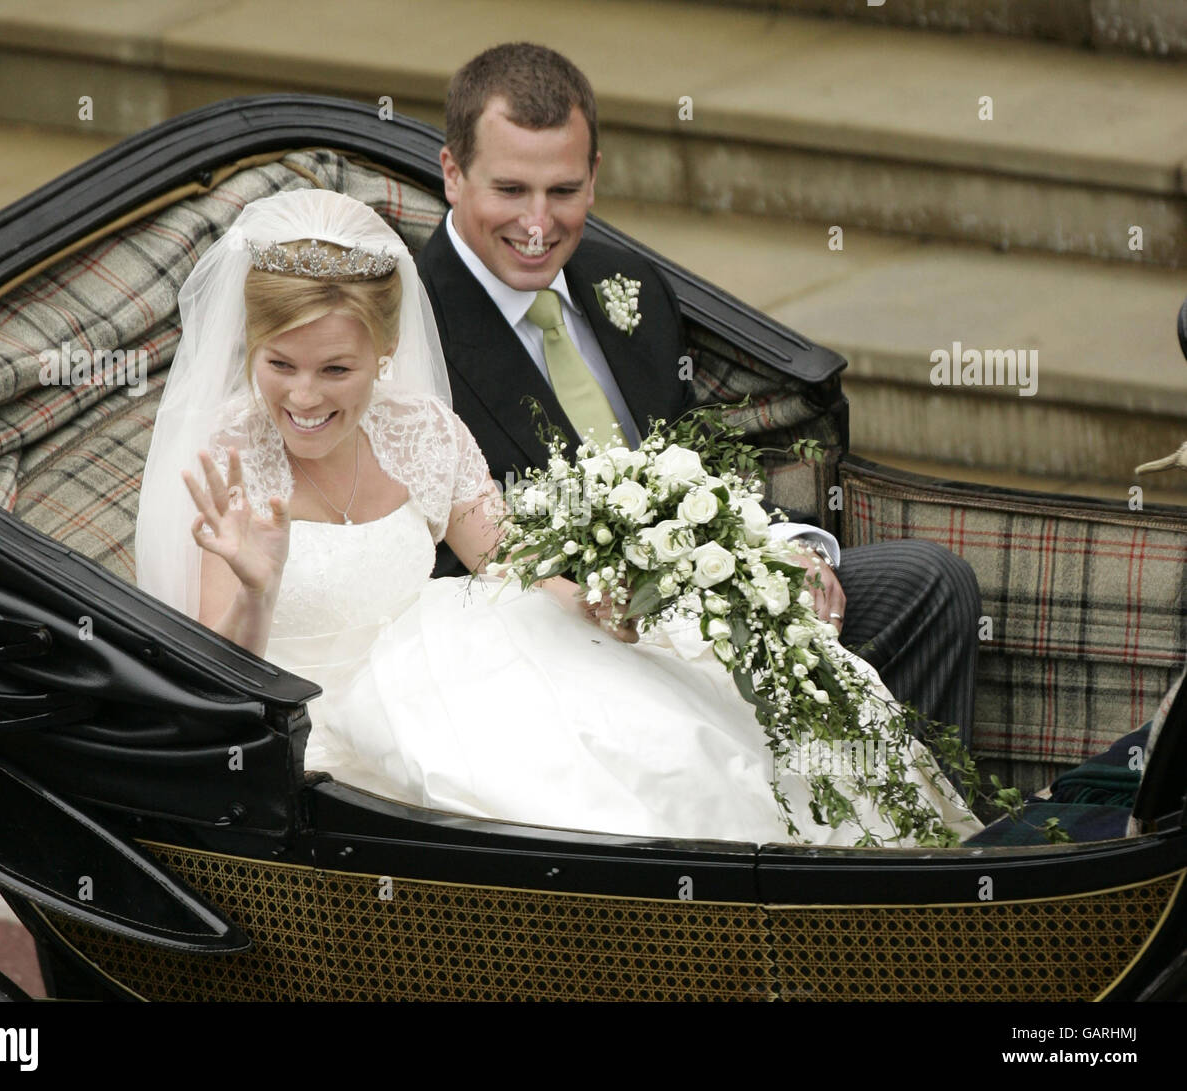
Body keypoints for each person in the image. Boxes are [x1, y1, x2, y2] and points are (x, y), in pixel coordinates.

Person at [134, 186, 980, 847]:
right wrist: (256, 581)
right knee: (582, 799)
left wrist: (612, 601)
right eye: (280, 364)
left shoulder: (423, 430)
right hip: (338, 725)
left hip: (458, 659)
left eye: (336, 369)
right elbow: (225, 692)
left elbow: (512, 561)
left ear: (383, 356)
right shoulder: (230, 459)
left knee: (679, 727)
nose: (305, 397)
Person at [415, 42, 982, 746]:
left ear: (594, 178)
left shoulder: (630, 284)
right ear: (452, 173)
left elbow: (697, 463)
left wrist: (785, 549)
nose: (538, 224)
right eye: (510, 190)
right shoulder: (408, 322)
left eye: (562, 191)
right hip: (553, 652)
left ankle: (917, 848)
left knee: (933, 583)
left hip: (705, 592)